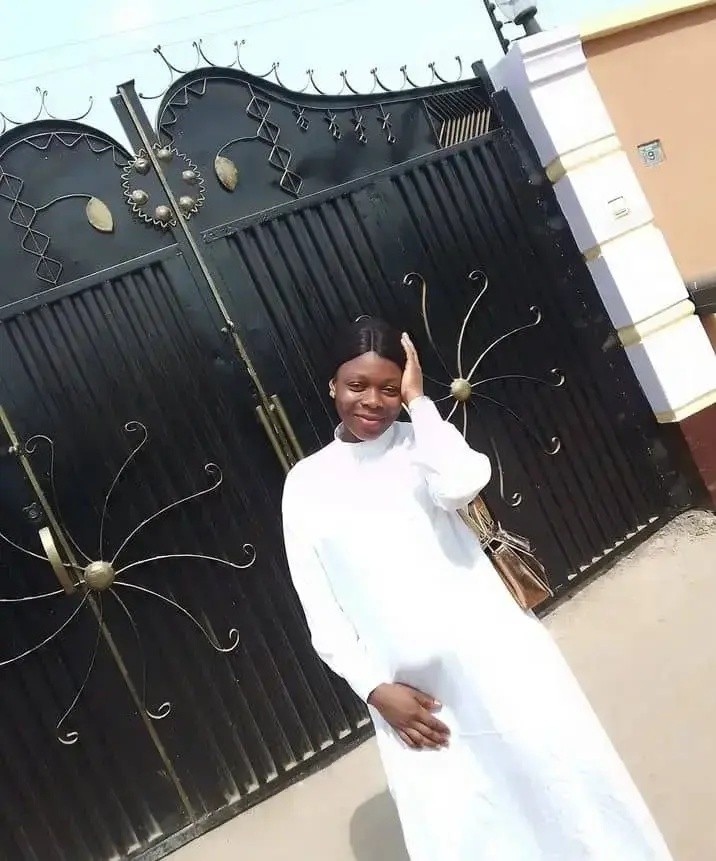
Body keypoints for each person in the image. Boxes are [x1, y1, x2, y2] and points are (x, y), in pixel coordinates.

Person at [281, 316, 674, 861]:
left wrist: (419, 403)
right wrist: (374, 689)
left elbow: (462, 483)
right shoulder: (306, 485)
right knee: (466, 824)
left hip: (500, 658)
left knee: (563, 787)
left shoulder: (423, 443)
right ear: (332, 384)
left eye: (389, 388)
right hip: (416, 698)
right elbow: (321, 609)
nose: (372, 401)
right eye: (357, 385)